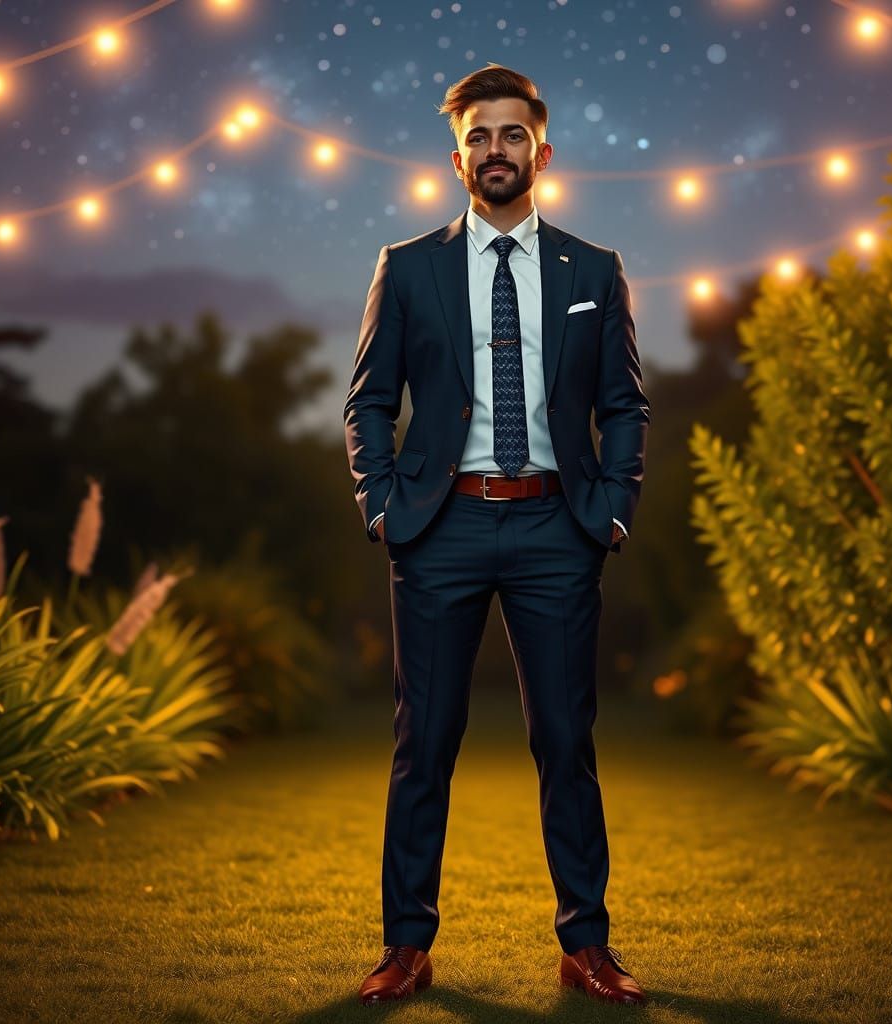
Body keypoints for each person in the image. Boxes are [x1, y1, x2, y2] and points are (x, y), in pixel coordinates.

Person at [343, 63, 649, 1007]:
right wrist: (385, 506)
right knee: (424, 741)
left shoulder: (595, 270)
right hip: (440, 531)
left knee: (566, 741)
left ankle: (587, 946)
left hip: (560, 526)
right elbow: (367, 402)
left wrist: (612, 507)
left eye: (513, 134)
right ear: (457, 157)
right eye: (479, 136)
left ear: (543, 152)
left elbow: (624, 404)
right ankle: (405, 946)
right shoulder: (408, 265)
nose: (497, 150)